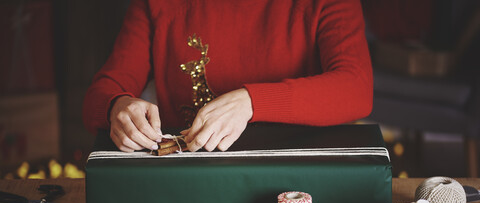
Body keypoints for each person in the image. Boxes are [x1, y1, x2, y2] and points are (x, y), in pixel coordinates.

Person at [83, 0, 373, 153]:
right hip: (193, 182)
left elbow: (356, 88)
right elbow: (102, 93)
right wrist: (116, 106)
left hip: (300, 188)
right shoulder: (159, 4)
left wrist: (251, 102)